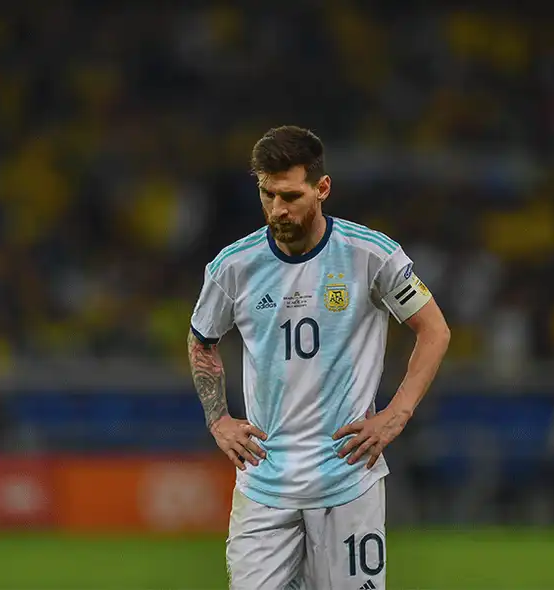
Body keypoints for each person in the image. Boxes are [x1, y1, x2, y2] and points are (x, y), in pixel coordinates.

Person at [187, 126, 451, 589]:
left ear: (322, 188)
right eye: (267, 194)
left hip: (347, 481)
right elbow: (200, 340)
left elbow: (434, 329)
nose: (277, 210)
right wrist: (218, 420)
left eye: (290, 195)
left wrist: (396, 414)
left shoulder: (372, 256)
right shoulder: (233, 266)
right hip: (265, 484)